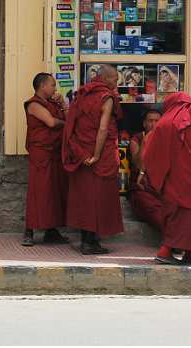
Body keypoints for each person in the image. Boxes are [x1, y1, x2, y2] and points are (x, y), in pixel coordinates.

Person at [141, 92, 191, 266]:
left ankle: (186, 254)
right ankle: (168, 252)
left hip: (173, 178)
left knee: (176, 215)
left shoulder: (164, 124)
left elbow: (150, 152)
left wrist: (152, 173)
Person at [62, 64, 125, 254]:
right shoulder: (106, 97)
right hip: (99, 153)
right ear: (105, 79)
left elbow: (71, 123)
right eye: (115, 79)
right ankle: (90, 242)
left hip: (81, 151)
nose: (117, 82)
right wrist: (96, 154)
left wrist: (82, 152)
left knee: (86, 196)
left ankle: (86, 239)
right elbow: (103, 129)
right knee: (98, 197)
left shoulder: (81, 95)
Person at [21, 73, 70, 246]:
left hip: (55, 153)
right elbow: (50, 122)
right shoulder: (34, 104)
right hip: (41, 154)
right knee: (38, 190)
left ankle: (51, 230)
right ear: (42, 86)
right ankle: (29, 230)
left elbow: (66, 116)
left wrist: (63, 105)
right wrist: (66, 124)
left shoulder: (52, 103)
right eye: (52, 85)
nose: (55, 89)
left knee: (54, 191)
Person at [128, 109, 163, 231]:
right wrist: (145, 142)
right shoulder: (136, 139)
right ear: (144, 124)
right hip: (142, 186)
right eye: (150, 121)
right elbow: (138, 165)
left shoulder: (166, 139)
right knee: (147, 203)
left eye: (157, 121)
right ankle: (170, 236)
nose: (153, 124)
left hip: (160, 186)